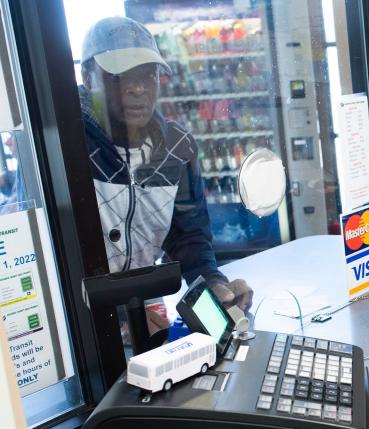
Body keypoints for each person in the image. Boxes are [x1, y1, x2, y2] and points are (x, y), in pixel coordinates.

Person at [79, 17, 252, 319]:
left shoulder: (177, 148)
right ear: (88, 76)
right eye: (121, 76)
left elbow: (187, 237)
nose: (137, 88)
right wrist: (118, 316)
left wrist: (212, 283)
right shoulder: (66, 147)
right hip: (78, 321)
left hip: (147, 312)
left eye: (148, 75)